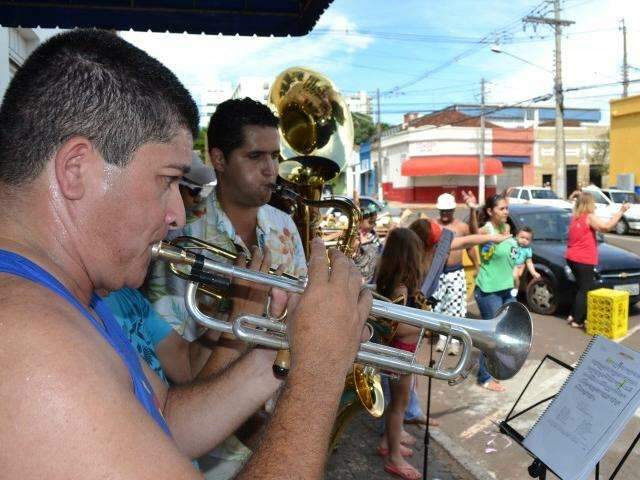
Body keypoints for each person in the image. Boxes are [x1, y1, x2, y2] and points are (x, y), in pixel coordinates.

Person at [0, 29, 370, 480]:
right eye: (166, 179)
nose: (178, 212)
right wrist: (317, 373)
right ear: (76, 169)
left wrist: (292, 346)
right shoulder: (34, 343)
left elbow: (166, 417)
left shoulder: (65, 302)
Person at [145, 98, 307, 345]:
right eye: (255, 156)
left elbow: (301, 314)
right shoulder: (179, 235)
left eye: (274, 156)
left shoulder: (286, 224)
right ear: (219, 160)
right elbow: (174, 348)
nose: (270, 169)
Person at [375, 228, 425, 480]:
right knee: (398, 407)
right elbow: (395, 327)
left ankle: (388, 442)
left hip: (400, 354)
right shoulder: (400, 289)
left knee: (397, 405)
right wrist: (424, 325)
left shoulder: (394, 283)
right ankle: (393, 458)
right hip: (399, 354)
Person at [474, 194, 518, 392]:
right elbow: (472, 234)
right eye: (501, 208)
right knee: (490, 336)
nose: (506, 212)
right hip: (489, 290)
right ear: (490, 211)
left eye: (507, 208)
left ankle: (495, 369)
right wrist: (471, 210)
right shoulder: (487, 229)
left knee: (504, 334)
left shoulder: (507, 228)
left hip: (506, 288)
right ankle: (484, 377)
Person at [565, 192, 629, 328]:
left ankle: (572, 315)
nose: (595, 205)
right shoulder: (589, 217)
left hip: (572, 257)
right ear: (589, 204)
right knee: (584, 289)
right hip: (583, 259)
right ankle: (577, 320)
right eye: (593, 203)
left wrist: (577, 193)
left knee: (579, 287)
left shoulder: (575, 217)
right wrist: (621, 211)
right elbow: (606, 227)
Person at [433, 192, 480, 356]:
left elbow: (473, 239)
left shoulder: (462, 227)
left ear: (453, 210)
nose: (445, 213)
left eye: (448, 210)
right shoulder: (433, 225)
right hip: (437, 273)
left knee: (456, 307)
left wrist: (477, 266)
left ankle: (454, 341)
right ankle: (442, 338)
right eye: (442, 210)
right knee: (438, 307)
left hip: (456, 273)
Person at [511, 226, 541, 297]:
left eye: (527, 239)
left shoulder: (527, 250)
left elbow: (529, 262)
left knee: (515, 276)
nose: (524, 240)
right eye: (522, 237)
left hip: (517, 265)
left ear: (530, 241)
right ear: (516, 236)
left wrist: (533, 272)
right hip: (508, 265)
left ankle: (516, 288)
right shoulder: (512, 243)